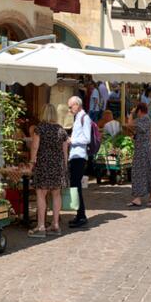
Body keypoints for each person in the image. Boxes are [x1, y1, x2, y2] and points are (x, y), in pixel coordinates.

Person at [27, 103, 69, 237]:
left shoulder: (40, 129)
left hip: (44, 165)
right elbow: (65, 152)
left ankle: (41, 227)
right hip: (57, 166)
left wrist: (32, 162)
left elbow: (34, 147)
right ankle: (55, 225)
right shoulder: (61, 130)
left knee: (41, 194)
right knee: (56, 195)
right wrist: (65, 167)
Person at [126, 102, 151, 208]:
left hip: (143, 151)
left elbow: (129, 123)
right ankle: (138, 198)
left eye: (136, 112)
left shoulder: (144, 119)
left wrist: (131, 113)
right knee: (139, 173)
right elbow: (137, 130)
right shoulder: (144, 119)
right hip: (142, 150)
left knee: (147, 172)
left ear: (139, 111)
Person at [66, 96, 91, 228]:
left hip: (80, 156)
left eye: (71, 107)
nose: (70, 110)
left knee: (76, 186)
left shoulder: (84, 118)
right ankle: (79, 214)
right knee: (74, 186)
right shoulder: (78, 117)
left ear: (77, 105)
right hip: (75, 156)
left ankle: (81, 216)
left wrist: (72, 141)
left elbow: (87, 139)